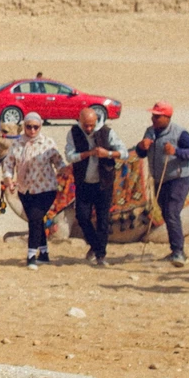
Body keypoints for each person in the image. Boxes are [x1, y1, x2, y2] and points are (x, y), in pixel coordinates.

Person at [132, 101, 189, 266]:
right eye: (153, 115)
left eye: (157, 116)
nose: (153, 119)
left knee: (171, 212)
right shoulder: (150, 131)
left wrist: (176, 152)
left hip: (179, 178)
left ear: (167, 117)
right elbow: (141, 153)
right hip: (159, 179)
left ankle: (178, 252)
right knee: (165, 211)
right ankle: (175, 250)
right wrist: (141, 146)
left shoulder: (180, 133)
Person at [0, 111, 67, 270]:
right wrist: (8, 179)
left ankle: (31, 256)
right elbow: (8, 165)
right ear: (24, 127)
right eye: (28, 127)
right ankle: (44, 254)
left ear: (40, 127)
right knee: (35, 220)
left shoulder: (48, 143)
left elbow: (59, 163)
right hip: (25, 190)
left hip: (46, 189)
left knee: (36, 218)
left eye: (35, 127)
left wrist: (66, 170)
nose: (32, 131)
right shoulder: (17, 145)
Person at [64, 105, 124, 266]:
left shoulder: (107, 132)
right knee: (82, 216)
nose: (89, 128)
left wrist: (108, 153)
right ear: (80, 122)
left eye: (91, 125)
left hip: (103, 183)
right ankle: (96, 246)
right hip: (84, 182)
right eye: (86, 125)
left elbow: (123, 152)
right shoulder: (74, 133)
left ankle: (100, 255)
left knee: (103, 219)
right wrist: (88, 154)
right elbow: (69, 156)